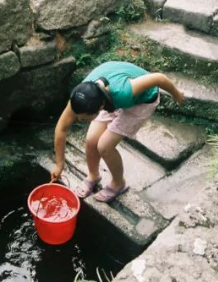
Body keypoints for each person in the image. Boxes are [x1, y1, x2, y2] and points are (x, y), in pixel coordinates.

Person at [50, 61, 186, 203]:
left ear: (99, 108)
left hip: (142, 101)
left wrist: (176, 94)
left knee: (104, 146)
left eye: (83, 119)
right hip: (110, 96)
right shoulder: (81, 97)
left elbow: (159, 78)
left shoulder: (123, 92)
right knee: (91, 140)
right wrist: (59, 164)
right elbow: (61, 128)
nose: (78, 119)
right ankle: (93, 175)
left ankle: (118, 183)